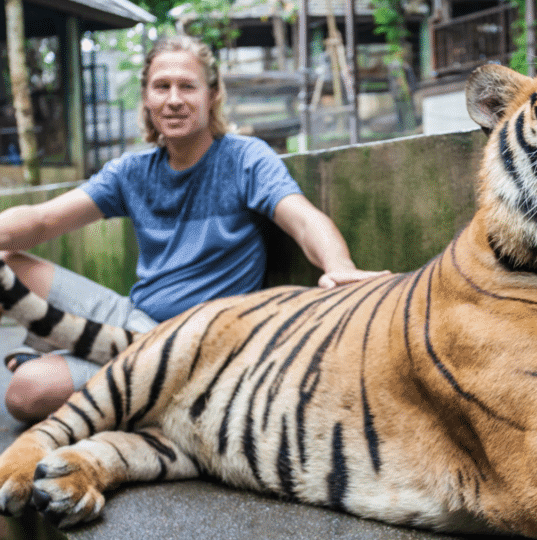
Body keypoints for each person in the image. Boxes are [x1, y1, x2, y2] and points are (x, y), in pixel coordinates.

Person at [1, 35, 387, 422]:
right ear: (147, 98)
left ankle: (93, 371)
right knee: (5, 264)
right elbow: (41, 221)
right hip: (130, 318)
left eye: (188, 86)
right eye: (161, 86)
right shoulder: (130, 172)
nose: (174, 99)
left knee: (27, 393)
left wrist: (340, 267)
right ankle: (98, 370)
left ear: (212, 95)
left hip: (194, 349)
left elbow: (304, 219)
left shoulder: (244, 158)